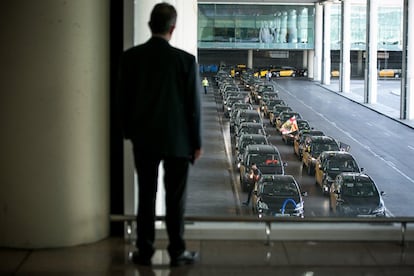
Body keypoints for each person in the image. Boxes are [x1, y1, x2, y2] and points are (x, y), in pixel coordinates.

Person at [118, 2, 202, 267]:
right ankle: (177, 251)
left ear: (149, 25)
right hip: (178, 142)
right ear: (173, 28)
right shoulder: (186, 61)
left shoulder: (130, 58)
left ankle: (144, 252)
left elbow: (123, 101)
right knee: (175, 200)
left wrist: (129, 132)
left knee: (146, 196)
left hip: (144, 139)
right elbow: (193, 107)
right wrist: (196, 143)